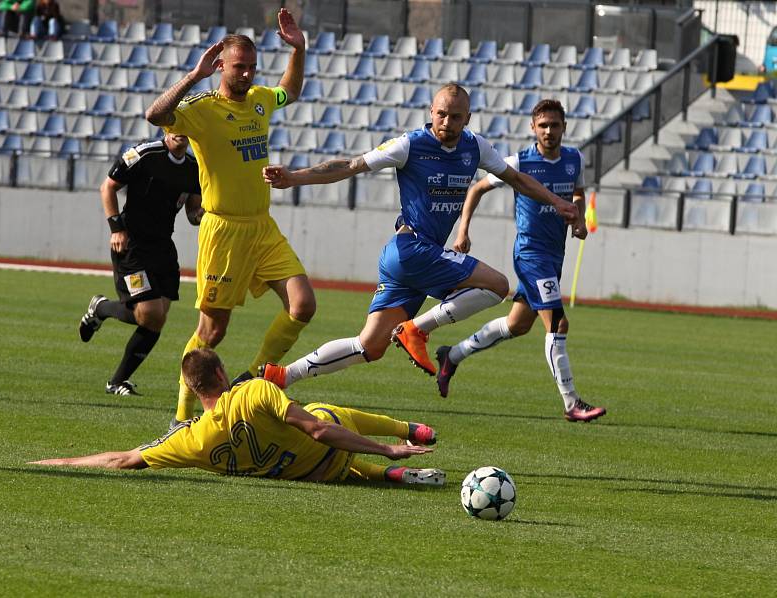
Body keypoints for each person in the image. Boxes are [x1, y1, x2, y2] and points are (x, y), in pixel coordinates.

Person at [258, 84, 579, 391]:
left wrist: (558, 202)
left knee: (369, 346)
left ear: (467, 118)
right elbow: (350, 165)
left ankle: (282, 376)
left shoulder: (475, 147)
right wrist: (294, 177)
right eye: (441, 114)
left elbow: (517, 180)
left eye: (455, 117)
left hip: (415, 260)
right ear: (431, 111)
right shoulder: (410, 145)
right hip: (410, 249)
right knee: (496, 286)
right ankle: (416, 330)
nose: (447, 122)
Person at [144, 9, 316, 425]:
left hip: (261, 226)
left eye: (252, 68)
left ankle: (252, 378)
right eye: (240, 67)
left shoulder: (259, 99)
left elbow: (288, 92)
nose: (247, 75)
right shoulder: (201, 108)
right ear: (221, 66)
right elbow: (155, 115)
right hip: (222, 230)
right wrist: (193, 76)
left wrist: (299, 50)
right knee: (212, 331)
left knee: (303, 305)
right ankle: (182, 413)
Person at [30, 348, 445, 487]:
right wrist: (387, 448)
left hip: (318, 476)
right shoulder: (255, 392)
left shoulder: (190, 441)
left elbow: (122, 460)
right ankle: (404, 432)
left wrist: (53, 463)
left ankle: (381, 475)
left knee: (321, 452)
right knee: (325, 411)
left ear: (193, 390)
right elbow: (319, 430)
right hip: (336, 449)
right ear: (223, 375)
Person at [435, 99, 606, 423]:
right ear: (533, 128)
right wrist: (463, 231)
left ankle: (452, 356)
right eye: (543, 125)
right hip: (530, 255)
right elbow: (477, 189)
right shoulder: (520, 162)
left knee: (517, 325)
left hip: (555, 255)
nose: (549, 131)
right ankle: (572, 404)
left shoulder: (574, 158)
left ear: (564, 127)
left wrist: (579, 218)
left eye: (555, 125)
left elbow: (578, 192)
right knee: (558, 323)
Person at [79, 133, 202, 396]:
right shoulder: (144, 155)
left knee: (156, 320)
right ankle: (102, 308)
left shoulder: (194, 168)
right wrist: (116, 229)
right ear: (166, 128)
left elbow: (193, 213)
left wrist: (205, 213)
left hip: (163, 248)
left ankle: (117, 380)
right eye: (175, 125)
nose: (180, 131)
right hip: (132, 245)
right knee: (150, 313)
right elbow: (108, 187)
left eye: (185, 126)